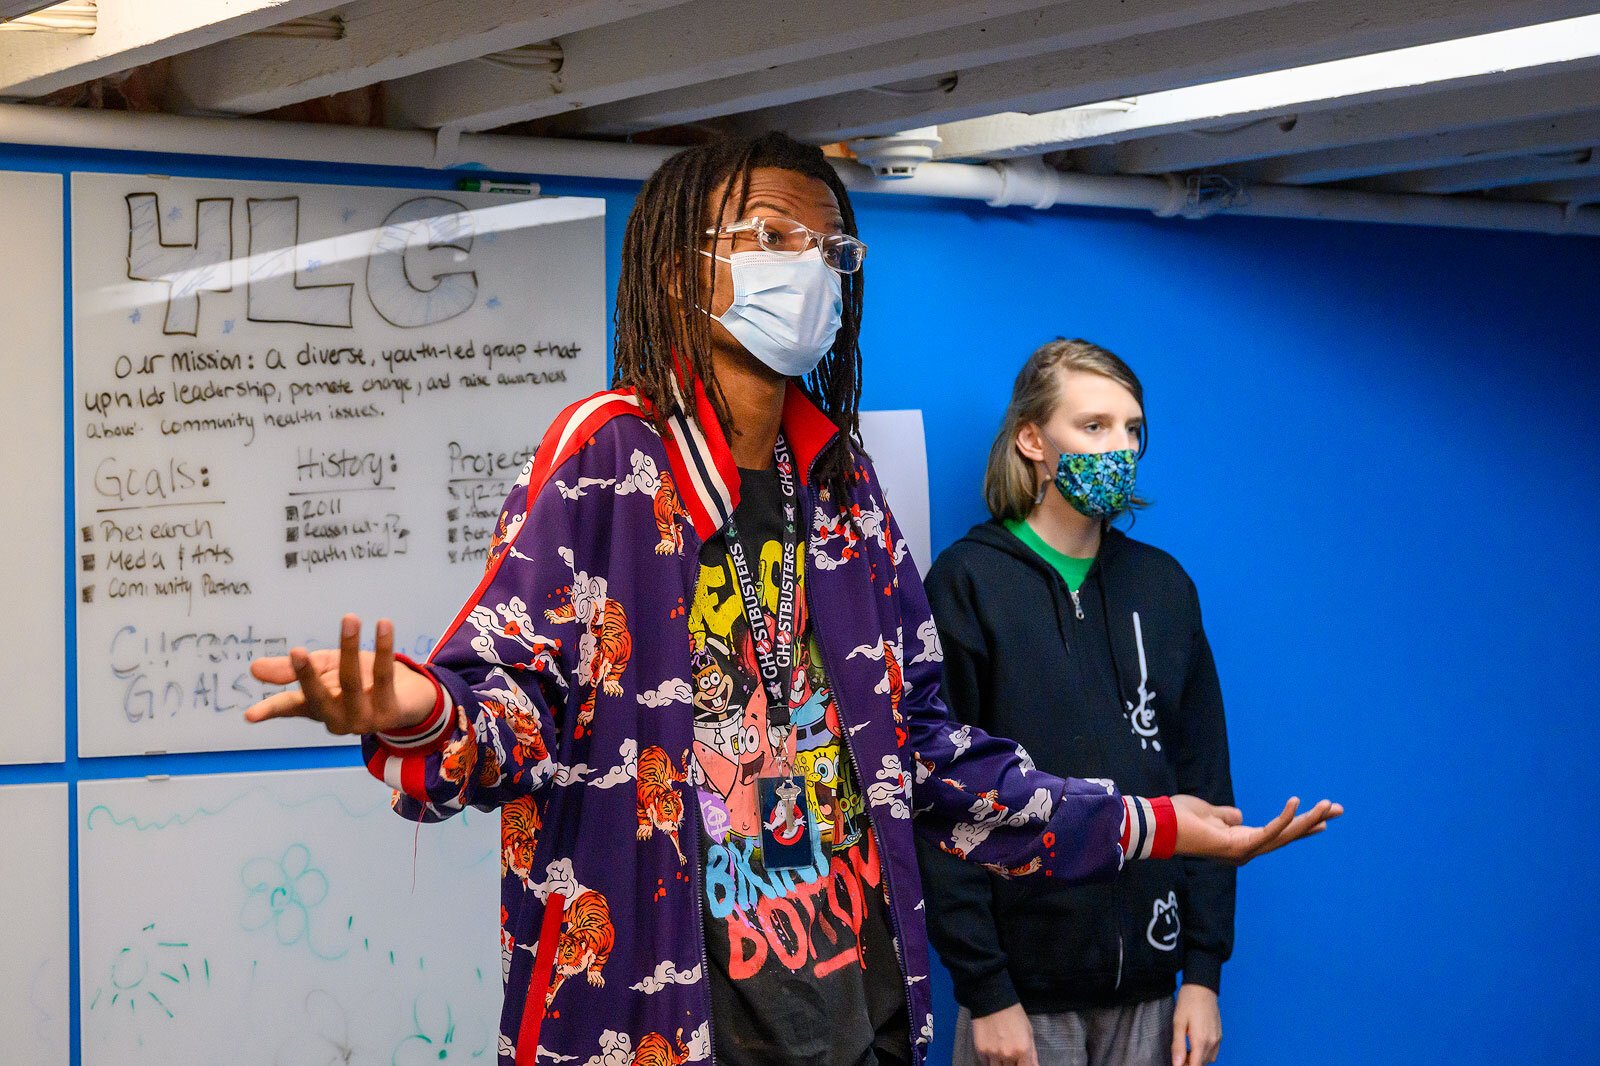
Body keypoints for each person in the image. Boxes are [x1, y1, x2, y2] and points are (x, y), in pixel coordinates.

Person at [244, 134, 1339, 1066]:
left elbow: (928, 759)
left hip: (858, 1018)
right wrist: (415, 709)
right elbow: (511, 716)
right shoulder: (610, 455)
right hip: (668, 1026)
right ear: (681, 271)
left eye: (828, 247)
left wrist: (1152, 824)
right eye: (770, 237)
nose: (805, 269)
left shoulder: (841, 483)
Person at [917, 340, 1257, 1066]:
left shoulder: (1165, 588)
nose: (1121, 448)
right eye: (1094, 426)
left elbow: (1204, 781)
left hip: (1154, 994)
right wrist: (986, 989)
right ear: (1032, 440)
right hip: (1022, 1002)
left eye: (1132, 429)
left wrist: (1202, 975)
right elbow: (943, 799)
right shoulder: (967, 584)